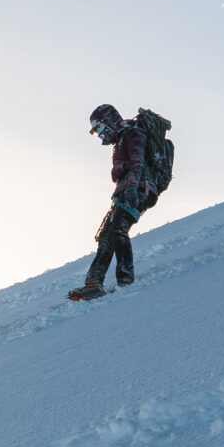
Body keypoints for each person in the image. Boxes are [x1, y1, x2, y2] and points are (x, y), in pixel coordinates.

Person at [69, 104, 154, 301]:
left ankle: (126, 279)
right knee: (106, 235)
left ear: (108, 121)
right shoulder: (121, 139)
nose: (100, 135)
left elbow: (137, 161)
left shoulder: (133, 134)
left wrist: (133, 185)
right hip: (126, 191)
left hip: (140, 189)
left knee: (118, 231)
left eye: (99, 128)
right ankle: (93, 283)